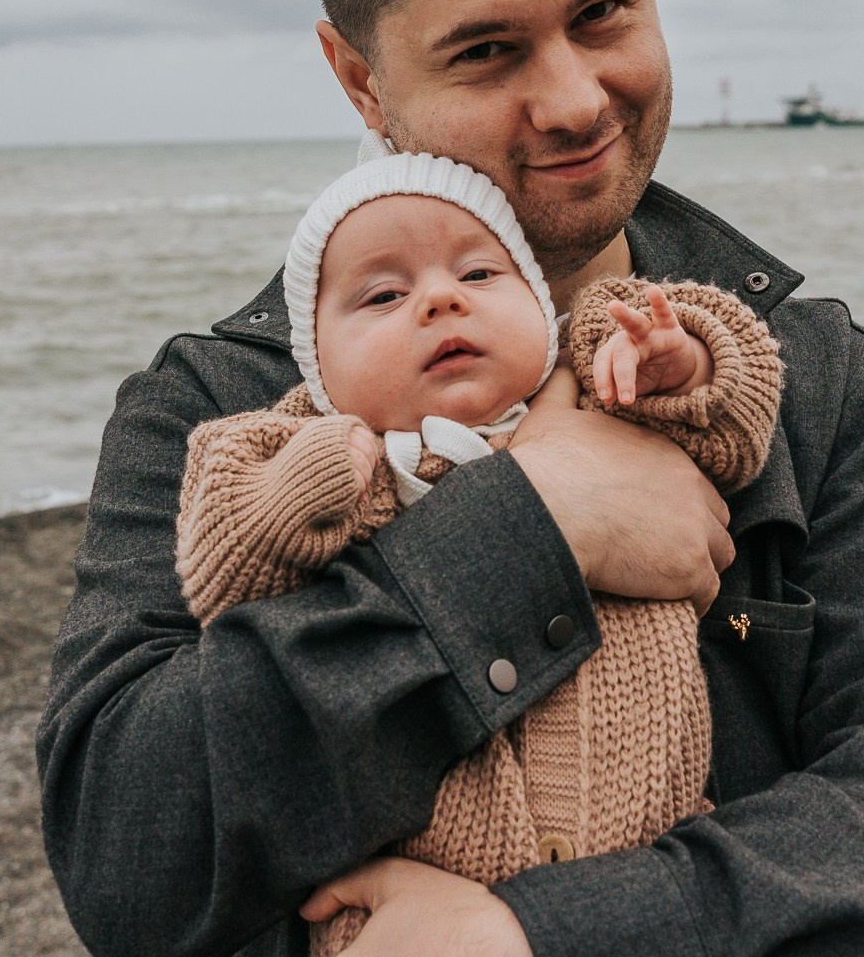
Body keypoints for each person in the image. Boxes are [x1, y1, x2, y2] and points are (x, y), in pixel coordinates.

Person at [38, 0, 864, 956]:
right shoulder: (218, 408)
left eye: (602, 12)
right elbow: (131, 848)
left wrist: (534, 936)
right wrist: (536, 524)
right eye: (486, 51)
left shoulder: (817, 381)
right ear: (359, 76)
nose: (575, 98)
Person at [175, 144, 784, 955]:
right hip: (407, 910)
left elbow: (739, 422)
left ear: (540, 307)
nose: (439, 302)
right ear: (316, 362)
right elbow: (220, 567)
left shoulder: (607, 388)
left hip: (652, 866)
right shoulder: (316, 444)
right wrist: (311, 475)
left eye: (480, 276)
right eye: (384, 294)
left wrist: (683, 360)